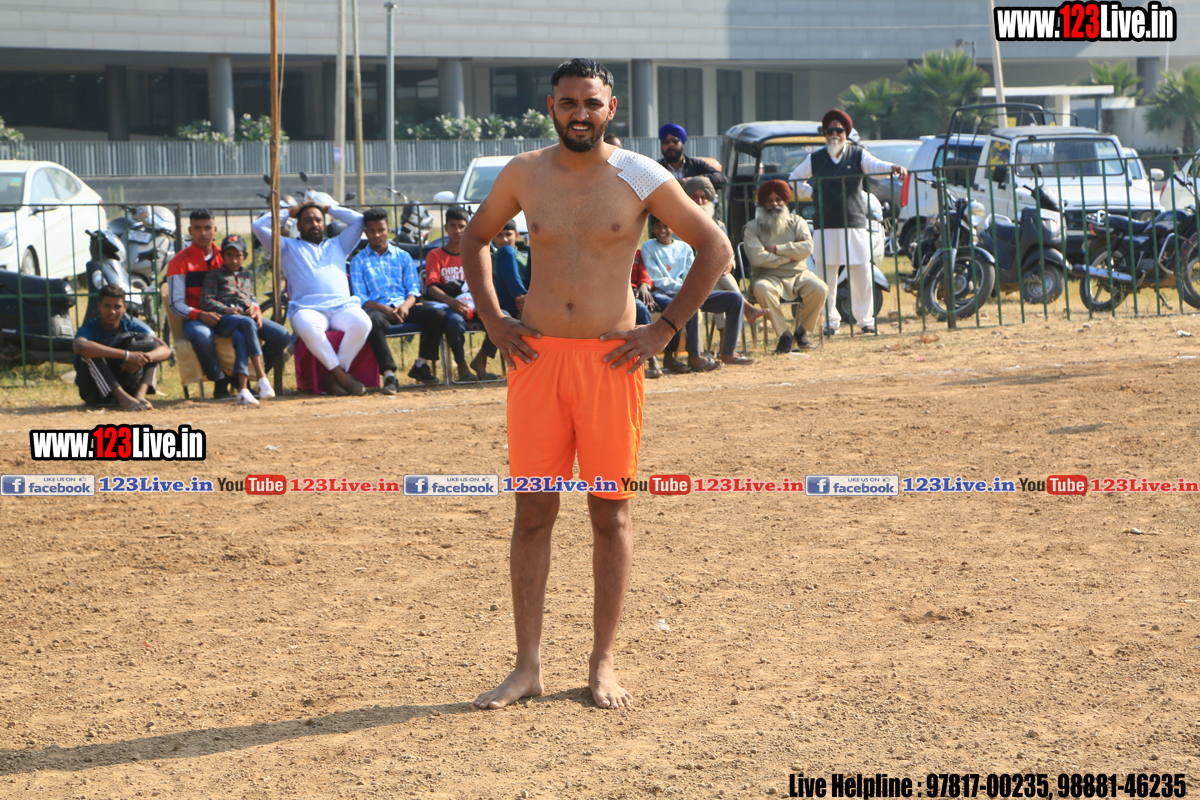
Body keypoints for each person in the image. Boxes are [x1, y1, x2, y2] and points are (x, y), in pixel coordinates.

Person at [459, 58, 731, 710]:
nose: (580, 113)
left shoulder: (640, 173)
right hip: (537, 362)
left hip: (612, 366)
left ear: (611, 109)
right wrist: (492, 318)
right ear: (552, 107)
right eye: (568, 102)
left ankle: (602, 664)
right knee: (533, 513)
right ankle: (526, 667)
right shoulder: (523, 172)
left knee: (610, 514)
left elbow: (715, 249)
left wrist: (665, 328)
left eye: (591, 103)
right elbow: (475, 239)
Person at [787, 108, 905, 336]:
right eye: (829, 131)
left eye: (838, 130)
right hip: (826, 224)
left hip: (854, 221)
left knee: (862, 271)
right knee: (825, 274)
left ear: (846, 133)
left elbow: (876, 167)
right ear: (824, 134)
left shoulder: (858, 155)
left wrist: (892, 168)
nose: (834, 134)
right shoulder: (816, 158)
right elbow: (794, 179)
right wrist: (811, 193)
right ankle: (830, 322)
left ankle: (866, 321)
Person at [252, 200, 371, 396]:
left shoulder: (339, 244)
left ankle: (334, 376)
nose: (314, 224)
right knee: (307, 326)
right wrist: (289, 212)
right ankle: (340, 375)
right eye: (307, 221)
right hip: (307, 309)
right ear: (298, 226)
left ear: (324, 223)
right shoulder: (286, 247)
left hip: (342, 307)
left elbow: (359, 220)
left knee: (363, 322)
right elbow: (258, 226)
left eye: (318, 220)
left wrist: (328, 208)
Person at [349, 207, 448, 388]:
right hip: (378, 309)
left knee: (438, 315)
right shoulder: (359, 261)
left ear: (388, 230)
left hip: (404, 306)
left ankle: (421, 365)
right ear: (366, 232)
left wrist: (405, 306)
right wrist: (385, 309)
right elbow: (360, 297)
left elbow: (413, 289)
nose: (377, 235)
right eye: (372, 230)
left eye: (381, 230)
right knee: (372, 321)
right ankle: (389, 374)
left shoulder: (403, 256)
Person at [642, 214, 753, 371]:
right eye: (658, 227)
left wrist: (690, 290)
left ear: (673, 228)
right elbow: (656, 279)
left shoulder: (685, 248)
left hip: (688, 291)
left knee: (735, 299)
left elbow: (691, 275)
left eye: (666, 226)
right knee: (689, 302)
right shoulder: (648, 246)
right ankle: (694, 356)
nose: (662, 230)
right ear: (652, 229)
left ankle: (728, 352)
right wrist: (688, 291)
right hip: (663, 294)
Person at [199, 234, 290, 405]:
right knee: (246, 324)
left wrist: (254, 308)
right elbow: (205, 300)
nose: (234, 260)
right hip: (224, 319)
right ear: (222, 256)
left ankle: (243, 387)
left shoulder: (247, 275)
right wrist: (226, 309)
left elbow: (249, 298)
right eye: (229, 255)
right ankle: (261, 377)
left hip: (244, 317)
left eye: (238, 255)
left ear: (245, 256)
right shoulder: (214, 275)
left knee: (281, 334)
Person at [743, 180, 828, 352]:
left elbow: (807, 248)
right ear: (762, 203)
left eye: (778, 199)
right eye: (769, 200)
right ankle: (784, 335)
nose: (774, 204)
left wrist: (777, 249)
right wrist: (790, 257)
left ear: (785, 201)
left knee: (820, 288)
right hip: (767, 276)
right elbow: (757, 258)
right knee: (762, 289)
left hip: (799, 275)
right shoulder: (752, 227)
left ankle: (802, 331)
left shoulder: (797, 222)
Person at [682, 175, 765, 352]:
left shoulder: (719, 225)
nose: (700, 201)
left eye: (703, 197)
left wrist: (730, 264)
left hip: (714, 280)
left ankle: (725, 341)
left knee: (718, 278)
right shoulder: (680, 225)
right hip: (690, 279)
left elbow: (729, 253)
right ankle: (744, 312)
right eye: (695, 197)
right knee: (716, 273)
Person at [72, 284, 171, 411]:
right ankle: (123, 399)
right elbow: (79, 346)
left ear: (124, 308)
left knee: (152, 347)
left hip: (128, 383)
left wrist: (142, 358)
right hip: (95, 392)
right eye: (107, 306)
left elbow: (165, 349)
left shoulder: (130, 326)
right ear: (99, 306)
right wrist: (127, 355)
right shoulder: (91, 327)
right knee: (90, 353)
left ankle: (140, 396)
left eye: (117, 307)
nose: (112, 311)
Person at [166, 208, 232, 398]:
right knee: (202, 335)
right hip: (195, 319)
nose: (203, 233)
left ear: (215, 229)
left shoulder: (227, 257)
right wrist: (200, 314)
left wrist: (255, 307)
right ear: (190, 230)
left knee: (279, 335)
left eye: (207, 228)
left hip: (226, 315)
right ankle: (220, 382)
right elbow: (175, 304)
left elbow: (242, 287)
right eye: (197, 228)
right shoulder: (179, 262)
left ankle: (244, 379)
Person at [424, 206, 483, 382]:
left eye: (461, 226)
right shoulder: (435, 255)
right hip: (450, 306)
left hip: (476, 304)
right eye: (452, 225)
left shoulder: (474, 254)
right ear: (445, 227)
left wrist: (481, 304)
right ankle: (462, 365)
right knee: (453, 321)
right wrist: (451, 302)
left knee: (502, 316)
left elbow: (484, 283)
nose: (457, 230)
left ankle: (481, 360)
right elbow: (431, 287)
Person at [469, 220, 530, 378]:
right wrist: (520, 297)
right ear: (493, 238)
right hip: (501, 303)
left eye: (508, 235)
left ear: (517, 235)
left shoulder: (524, 258)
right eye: (499, 235)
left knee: (534, 251)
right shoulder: (489, 258)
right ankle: (522, 302)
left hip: (528, 303)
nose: (504, 239)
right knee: (500, 316)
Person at [657, 124, 727, 186]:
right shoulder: (656, 168)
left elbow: (721, 177)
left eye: (675, 141)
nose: (670, 145)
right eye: (666, 142)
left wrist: (694, 180)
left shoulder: (696, 164)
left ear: (682, 143)